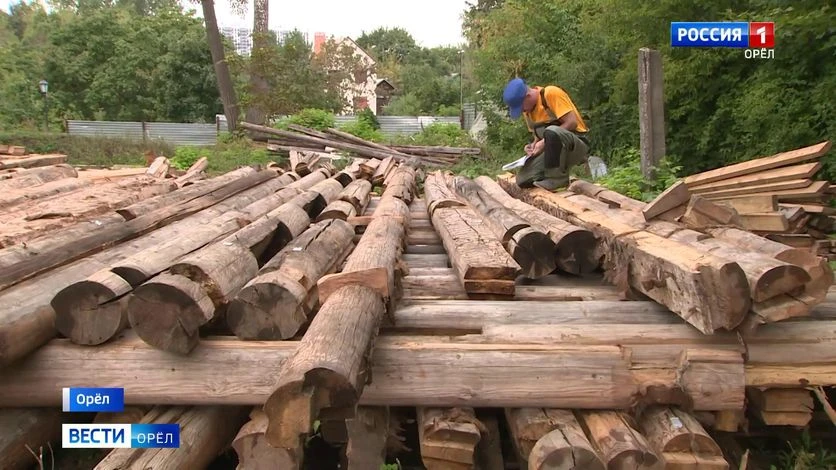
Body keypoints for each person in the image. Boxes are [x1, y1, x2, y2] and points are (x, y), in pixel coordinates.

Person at [502, 77, 591, 190]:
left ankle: (557, 179)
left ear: (528, 96)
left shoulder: (550, 93)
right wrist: (532, 146)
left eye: (521, 107)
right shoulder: (528, 111)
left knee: (552, 131)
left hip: (575, 145)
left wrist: (544, 142)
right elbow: (537, 136)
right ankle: (548, 177)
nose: (522, 111)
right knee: (523, 180)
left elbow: (572, 122)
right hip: (552, 153)